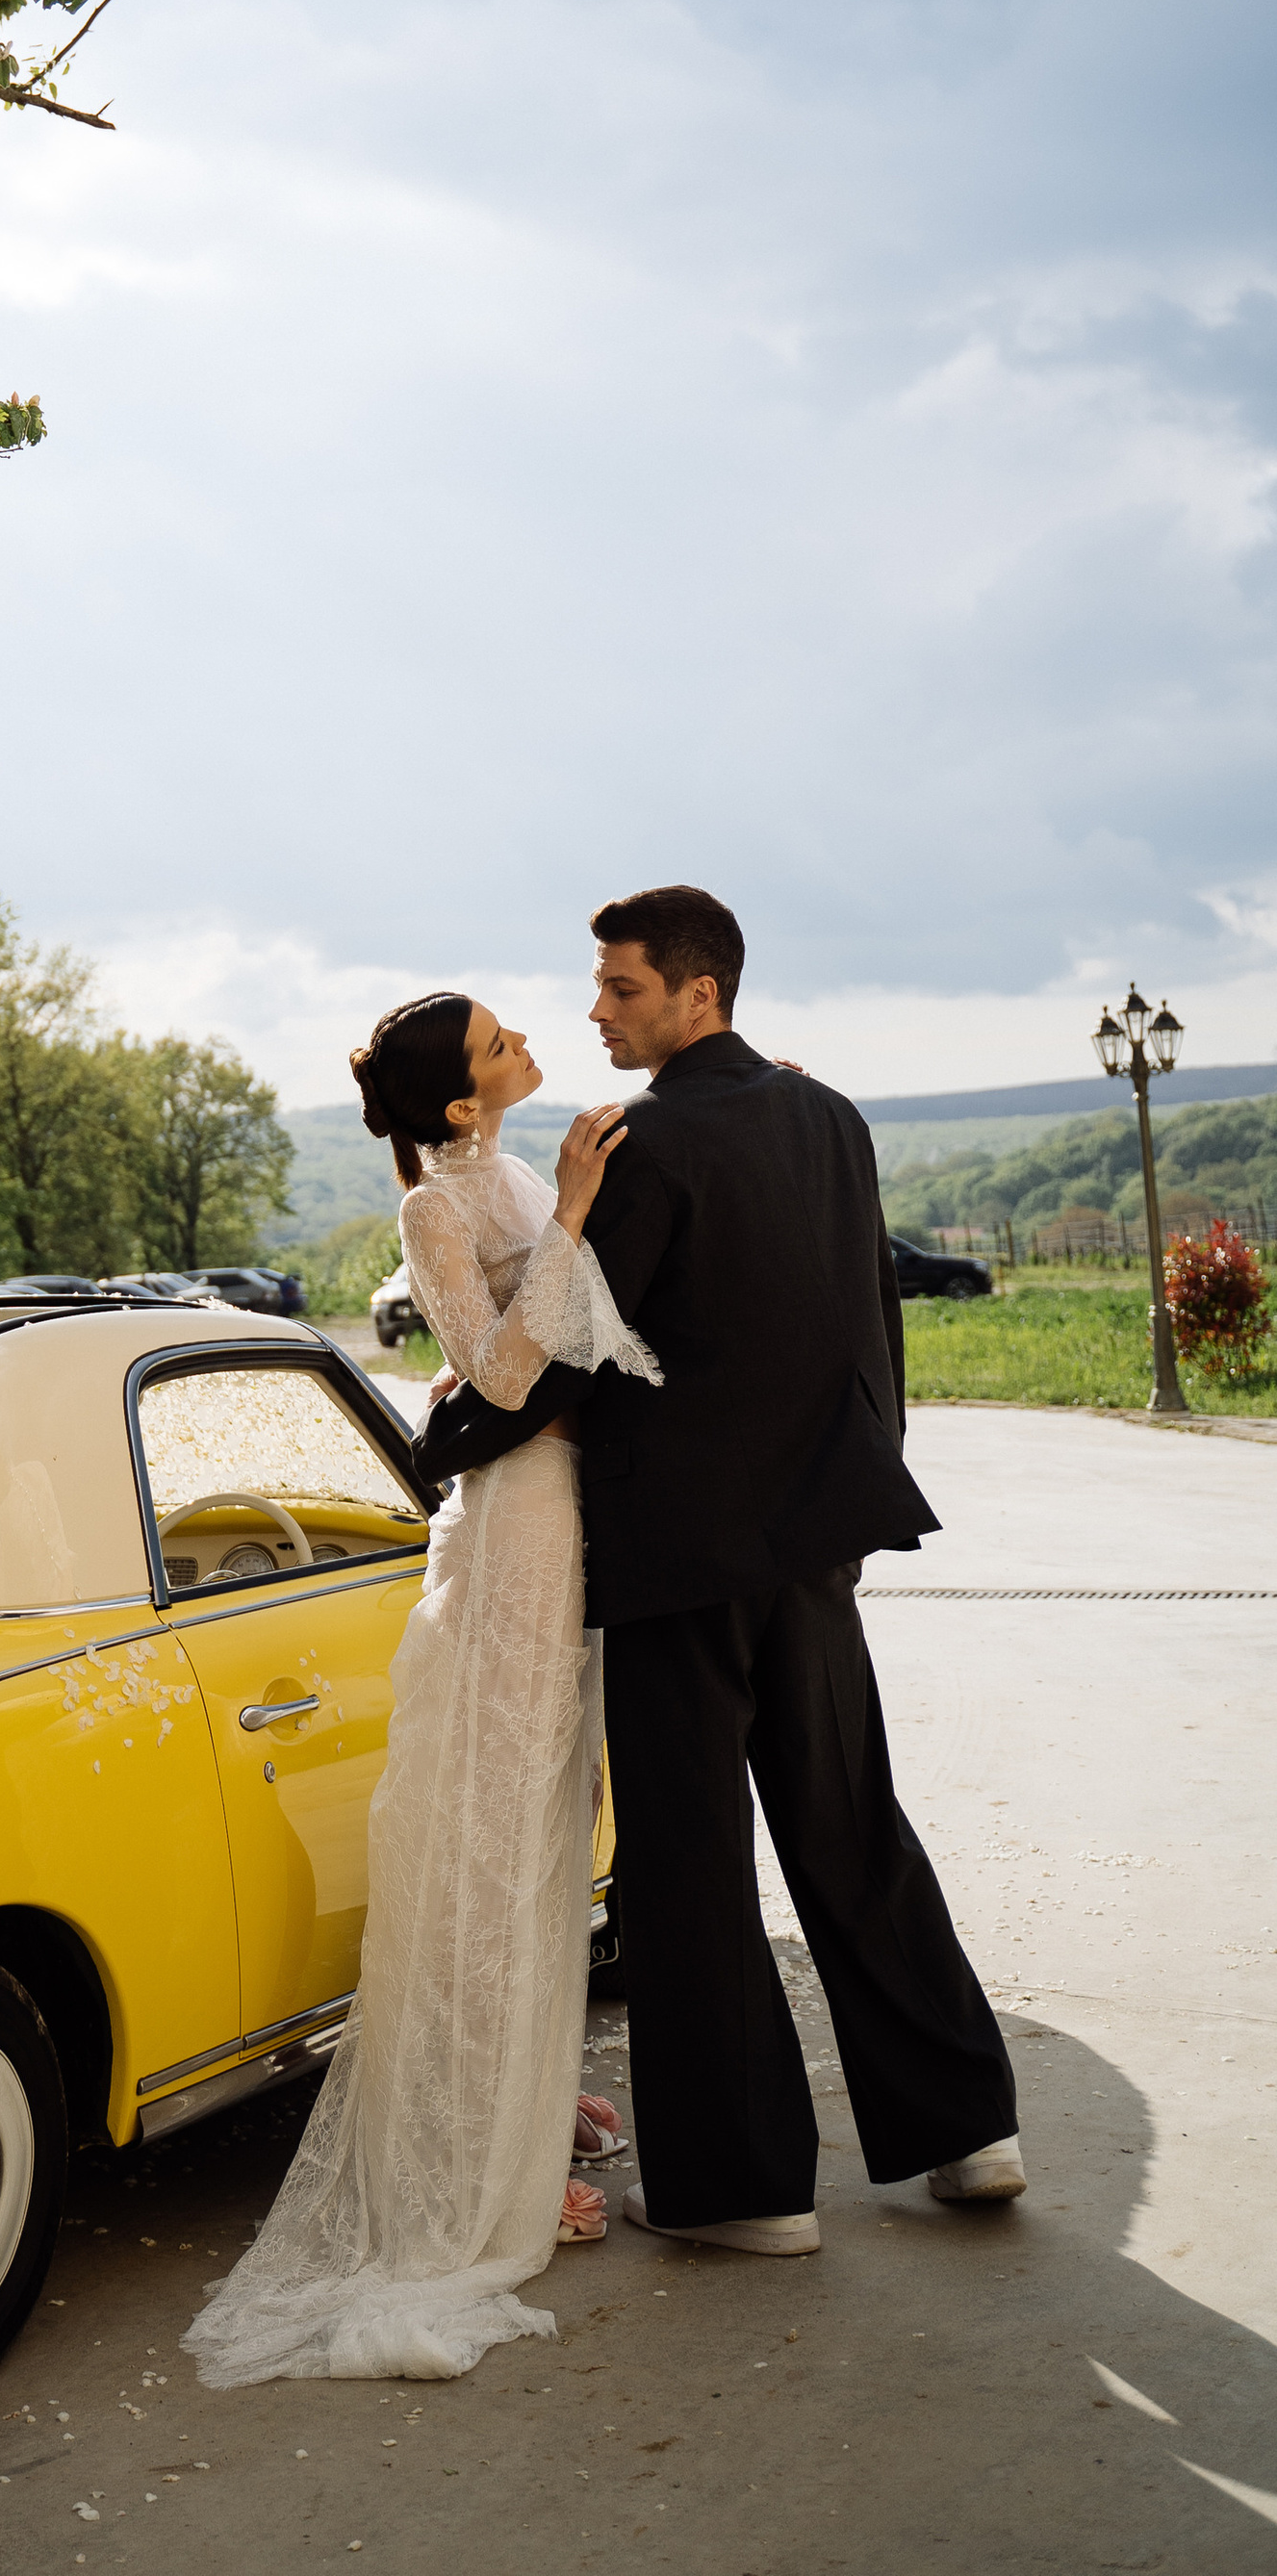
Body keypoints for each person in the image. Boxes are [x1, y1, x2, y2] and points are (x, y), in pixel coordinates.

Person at [184, 989, 659, 2389]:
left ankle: (513, 2101)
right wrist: (571, 1219)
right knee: (491, 1839)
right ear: (459, 1104)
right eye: (497, 1042)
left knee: (551, 1838)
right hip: (515, 1531)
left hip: (575, 1515)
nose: (523, 1042)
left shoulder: (510, 1168)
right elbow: (499, 1371)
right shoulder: (439, 1209)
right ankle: (469, 2169)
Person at [575, 883, 1022, 2255]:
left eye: (624, 989)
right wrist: (855, 1493)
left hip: (675, 1565)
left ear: (699, 994)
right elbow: (869, 1332)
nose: (598, 1009)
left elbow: (587, 1351)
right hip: (815, 1547)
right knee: (853, 1831)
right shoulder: (834, 1117)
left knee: (691, 1872)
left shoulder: (643, 1145)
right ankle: (968, 2131)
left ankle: (747, 2191)